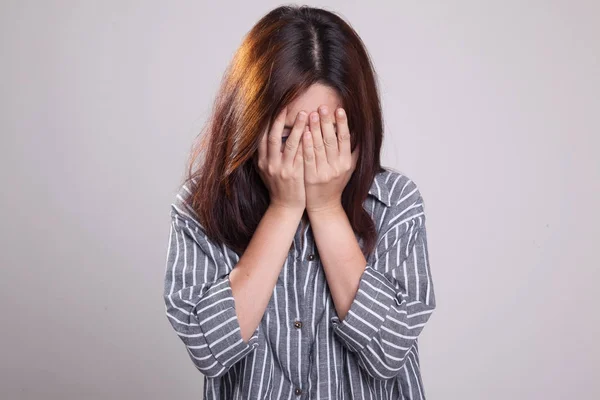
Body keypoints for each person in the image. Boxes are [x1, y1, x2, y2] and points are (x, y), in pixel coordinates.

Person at [163, 5, 436, 399]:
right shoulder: (200, 207)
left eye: (328, 134)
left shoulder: (396, 204)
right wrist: (283, 209)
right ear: (252, 122)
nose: (309, 155)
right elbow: (210, 349)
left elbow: (388, 353)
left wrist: (326, 210)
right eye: (289, 135)